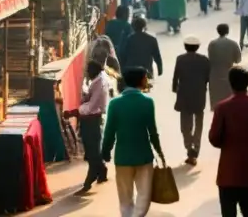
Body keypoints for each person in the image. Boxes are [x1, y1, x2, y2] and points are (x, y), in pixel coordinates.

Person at [209, 66, 248, 217]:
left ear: (230, 83)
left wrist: (227, 145)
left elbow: (214, 137)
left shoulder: (222, 107)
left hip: (228, 170)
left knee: (228, 212)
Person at [101, 66, 166, 217]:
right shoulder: (147, 102)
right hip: (144, 156)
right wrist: (159, 152)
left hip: (123, 157)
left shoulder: (115, 104)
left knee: (125, 198)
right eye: (145, 78)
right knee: (144, 196)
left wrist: (105, 152)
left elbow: (109, 132)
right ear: (140, 80)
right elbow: (152, 132)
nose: (147, 80)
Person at [67, 60, 110, 193]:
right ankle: (102, 170)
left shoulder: (99, 84)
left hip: (92, 120)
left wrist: (73, 112)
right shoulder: (99, 79)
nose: (87, 73)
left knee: (92, 152)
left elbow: (91, 107)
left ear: (94, 71)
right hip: (92, 119)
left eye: (89, 71)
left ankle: (89, 181)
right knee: (93, 149)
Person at [172, 35, 210, 165]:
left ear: (185, 47)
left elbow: (176, 76)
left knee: (185, 126)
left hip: (184, 95)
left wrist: (174, 89)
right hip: (199, 95)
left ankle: (189, 148)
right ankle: (196, 148)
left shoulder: (180, 59)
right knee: (199, 124)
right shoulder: (204, 60)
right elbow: (207, 77)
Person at [208, 23, 243, 109]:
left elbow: (210, 58)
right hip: (228, 75)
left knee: (217, 105)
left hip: (214, 76)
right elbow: (238, 60)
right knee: (229, 104)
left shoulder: (212, 44)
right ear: (227, 31)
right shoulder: (233, 44)